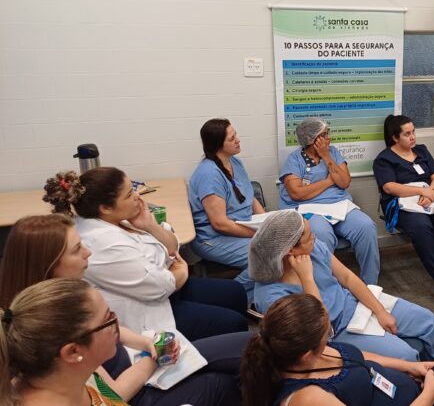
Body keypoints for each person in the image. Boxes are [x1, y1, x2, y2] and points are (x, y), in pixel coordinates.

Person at [0, 213, 248, 406]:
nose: (88, 252)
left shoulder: (60, 340)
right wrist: (153, 359)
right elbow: (112, 392)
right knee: (231, 375)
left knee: (248, 349)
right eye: (77, 249)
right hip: (139, 378)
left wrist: (146, 346)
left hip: (139, 364)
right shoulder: (54, 332)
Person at [43, 168, 249, 341]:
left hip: (167, 290)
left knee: (235, 292)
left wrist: (149, 225)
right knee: (233, 322)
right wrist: (180, 270)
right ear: (105, 207)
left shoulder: (120, 221)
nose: (138, 196)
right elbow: (159, 286)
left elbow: (172, 246)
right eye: (128, 194)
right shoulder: (100, 242)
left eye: (133, 189)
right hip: (150, 312)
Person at [241, 293, 434, 406]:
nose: (331, 336)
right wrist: (429, 392)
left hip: (415, 389)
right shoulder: (308, 398)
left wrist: (412, 368)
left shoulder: (308, 354)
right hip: (422, 400)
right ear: (307, 353)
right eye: (325, 334)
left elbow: (359, 356)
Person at [0, 278, 240, 406]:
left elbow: (112, 395)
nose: (117, 325)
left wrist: (150, 355)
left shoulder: (73, 377)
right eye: (108, 319)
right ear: (73, 351)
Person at [250, 209, 434, 362]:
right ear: (290, 250)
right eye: (310, 237)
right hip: (335, 332)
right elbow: (319, 330)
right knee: (406, 355)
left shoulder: (313, 248)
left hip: (354, 307)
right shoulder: (270, 296)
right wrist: (307, 278)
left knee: (427, 320)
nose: (315, 239)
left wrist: (379, 311)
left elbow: (347, 277)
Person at [372, 115, 434, 301]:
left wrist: (431, 193)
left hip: (430, 198)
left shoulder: (422, 151)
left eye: (413, 132)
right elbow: (389, 187)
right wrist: (421, 191)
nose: (413, 137)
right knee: (422, 227)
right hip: (402, 204)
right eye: (407, 134)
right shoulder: (384, 159)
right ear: (395, 137)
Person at [278, 117, 380, 285]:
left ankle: (370, 285)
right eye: (324, 134)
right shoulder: (294, 159)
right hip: (309, 209)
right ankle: (327, 286)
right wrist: (329, 181)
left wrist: (325, 156)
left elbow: (344, 182)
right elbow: (297, 193)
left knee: (366, 227)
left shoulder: (332, 153)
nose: (329, 138)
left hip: (339, 206)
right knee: (321, 234)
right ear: (312, 139)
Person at [189, 118, 266, 302]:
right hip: (213, 238)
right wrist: (256, 234)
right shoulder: (210, 174)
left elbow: (250, 197)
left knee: (278, 250)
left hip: (242, 228)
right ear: (218, 145)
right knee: (267, 256)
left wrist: (267, 222)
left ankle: (250, 299)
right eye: (232, 138)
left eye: (236, 134)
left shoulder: (235, 163)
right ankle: (227, 299)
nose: (238, 140)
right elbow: (219, 223)